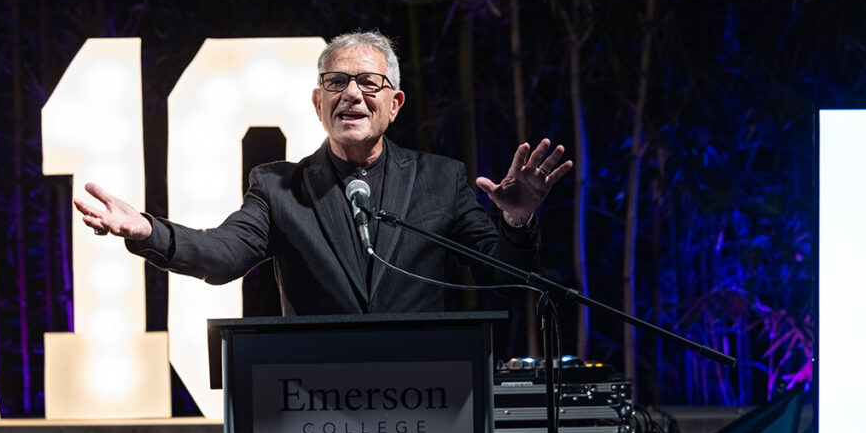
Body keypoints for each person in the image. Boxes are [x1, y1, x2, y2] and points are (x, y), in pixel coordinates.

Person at [73, 30, 572, 315]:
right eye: (336, 82)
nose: (351, 94)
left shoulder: (441, 180)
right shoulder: (279, 187)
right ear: (318, 102)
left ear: (394, 104)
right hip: (318, 402)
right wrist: (146, 230)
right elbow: (222, 255)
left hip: (426, 396)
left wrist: (517, 222)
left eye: (369, 83)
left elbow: (502, 278)